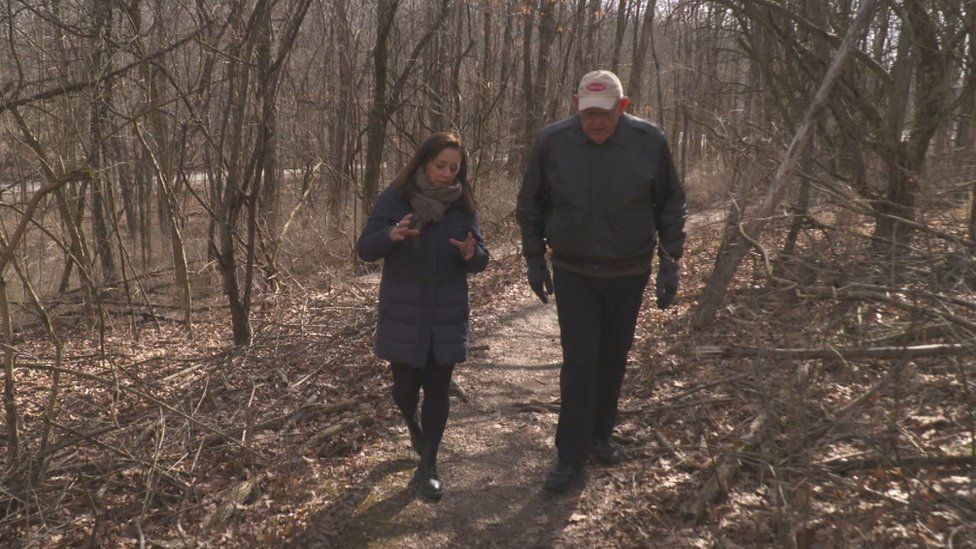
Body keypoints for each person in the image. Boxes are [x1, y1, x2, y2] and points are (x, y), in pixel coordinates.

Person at [516, 70, 687, 493]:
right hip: (574, 272)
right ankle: (569, 456)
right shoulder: (552, 142)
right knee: (579, 363)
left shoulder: (650, 142)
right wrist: (534, 260)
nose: (596, 123)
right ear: (577, 106)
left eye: (605, 114)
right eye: (588, 113)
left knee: (613, 358)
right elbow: (531, 204)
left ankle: (600, 435)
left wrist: (671, 262)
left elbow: (671, 203)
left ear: (622, 108)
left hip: (630, 271)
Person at [356, 132, 490, 501]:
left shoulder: (463, 206)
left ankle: (429, 463)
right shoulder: (394, 198)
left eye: (454, 168)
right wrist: (390, 234)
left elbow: (481, 258)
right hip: (404, 311)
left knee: (437, 388)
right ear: (423, 163)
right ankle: (413, 426)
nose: (447, 174)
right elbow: (364, 249)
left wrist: (470, 254)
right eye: (440, 166)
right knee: (404, 389)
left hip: (446, 313)